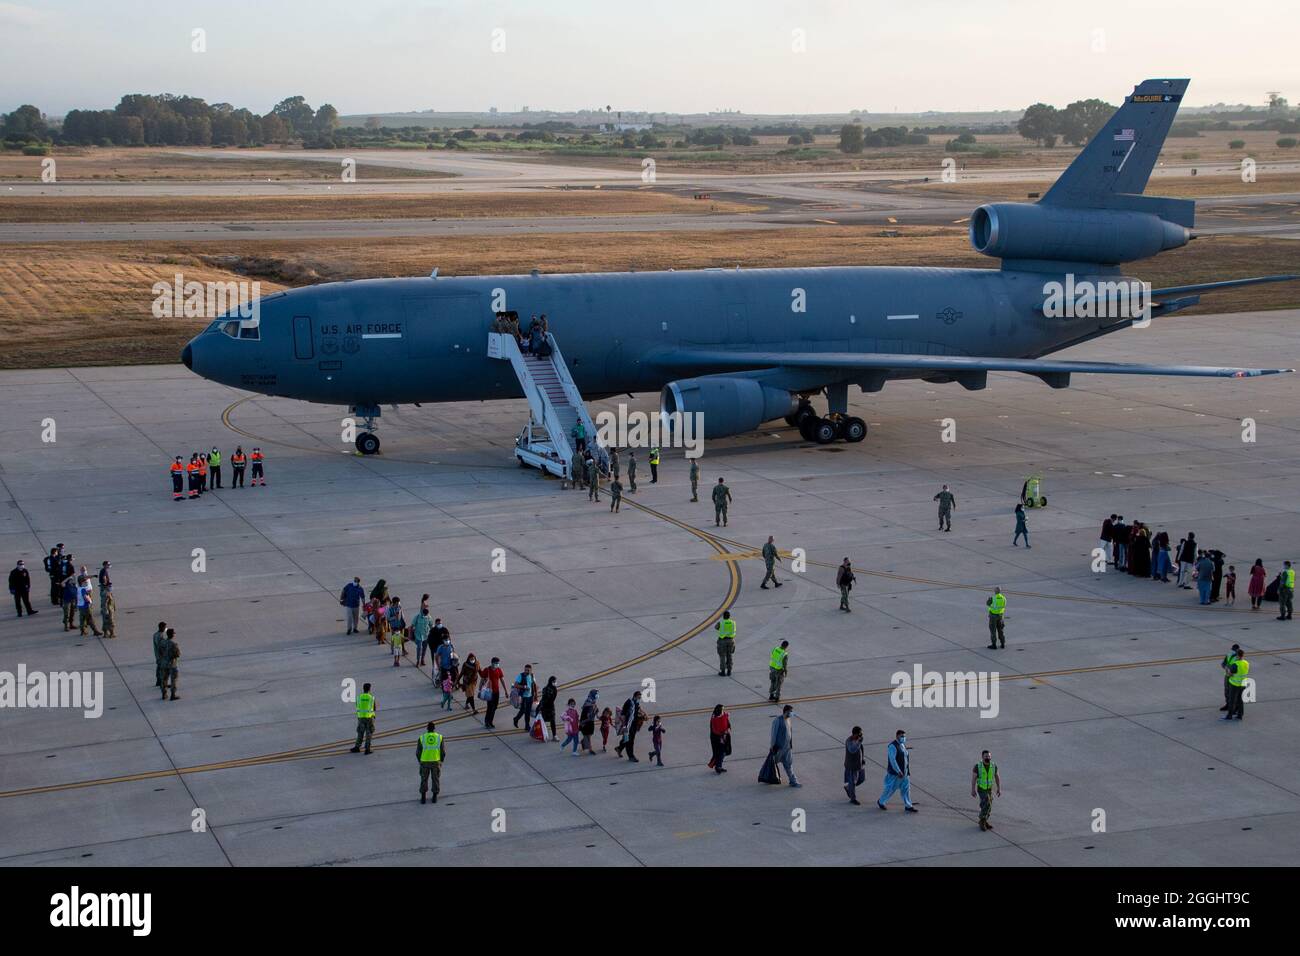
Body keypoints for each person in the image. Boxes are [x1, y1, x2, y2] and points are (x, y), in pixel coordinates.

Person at [878, 729, 916, 811]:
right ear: (897, 736)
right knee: (890, 789)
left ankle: (908, 806)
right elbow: (892, 760)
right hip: (896, 773)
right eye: (902, 736)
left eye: (904, 736)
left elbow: (904, 755)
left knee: (906, 789)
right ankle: (881, 801)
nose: (903, 738)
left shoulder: (902, 745)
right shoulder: (892, 746)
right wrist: (898, 771)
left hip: (905, 772)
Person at [768, 704, 800, 787]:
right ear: (786, 712)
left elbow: (790, 732)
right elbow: (773, 734)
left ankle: (793, 781)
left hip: (787, 748)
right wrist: (772, 746)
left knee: (789, 765)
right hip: (779, 748)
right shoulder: (777, 720)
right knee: (772, 763)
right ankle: (768, 777)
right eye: (790, 711)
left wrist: (790, 745)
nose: (792, 713)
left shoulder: (788, 720)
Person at [416, 721, 445, 804]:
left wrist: (420, 761)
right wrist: (441, 760)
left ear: (427, 729)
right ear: (434, 728)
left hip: (424, 762)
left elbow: (418, 752)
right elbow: (443, 751)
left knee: (424, 779)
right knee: (435, 779)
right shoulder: (439, 737)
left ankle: (423, 797)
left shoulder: (422, 738)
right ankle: (434, 797)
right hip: (435, 761)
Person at [972, 750, 1001, 830]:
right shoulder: (978, 766)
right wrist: (973, 789)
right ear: (982, 757)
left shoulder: (993, 766)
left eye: (988, 756)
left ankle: (984, 820)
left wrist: (999, 788)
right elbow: (974, 778)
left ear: (990, 757)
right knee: (987, 803)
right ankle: (982, 821)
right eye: (985, 756)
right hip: (981, 789)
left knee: (988, 805)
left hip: (989, 789)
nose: (987, 757)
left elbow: (997, 777)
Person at [615, 690, 643, 761]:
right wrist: (624, 724)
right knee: (630, 740)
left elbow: (638, 709)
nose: (639, 699)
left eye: (640, 698)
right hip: (628, 725)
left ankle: (619, 748)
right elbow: (623, 713)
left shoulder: (636, 703)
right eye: (638, 697)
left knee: (627, 738)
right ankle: (631, 756)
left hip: (634, 724)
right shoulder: (629, 702)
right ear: (635, 696)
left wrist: (643, 714)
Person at [1223, 651, 1250, 720]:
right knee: (1240, 700)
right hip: (1243, 684)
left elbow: (1230, 674)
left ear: (1237, 656)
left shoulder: (1235, 664)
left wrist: (1227, 670)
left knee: (1232, 700)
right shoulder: (1246, 663)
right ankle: (1240, 715)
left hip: (1235, 684)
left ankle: (1229, 715)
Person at [350, 682, 376, 754]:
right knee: (369, 733)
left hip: (361, 718)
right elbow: (374, 708)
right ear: (369, 689)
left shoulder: (359, 697)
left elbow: (357, 706)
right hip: (369, 718)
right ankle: (367, 749)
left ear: (363, 689)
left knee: (360, 733)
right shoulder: (371, 697)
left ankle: (357, 747)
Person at [481, 657, 506, 729]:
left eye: (498, 663)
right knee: (490, 707)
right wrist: (480, 689)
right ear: (492, 663)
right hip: (489, 692)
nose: (497, 664)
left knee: (495, 707)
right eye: (496, 663)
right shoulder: (487, 670)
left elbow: (502, 680)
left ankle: (489, 721)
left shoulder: (499, 670)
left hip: (496, 692)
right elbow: (482, 680)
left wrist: (505, 691)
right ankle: (488, 722)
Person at [844, 726, 866, 805]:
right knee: (853, 782)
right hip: (852, 766)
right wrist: (859, 742)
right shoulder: (849, 741)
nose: (861, 736)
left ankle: (848, 787)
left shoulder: (858, 740)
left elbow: (861, 750)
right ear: (855, 734)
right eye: (859, 734)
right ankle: (853, 799)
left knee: (862, 779)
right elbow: (852, 750)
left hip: (859, 764)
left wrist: (863, 759)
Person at [512, 663, 537, 730]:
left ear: (531, 670)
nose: (526, 671)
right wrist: (524, 687)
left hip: (530, 696)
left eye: (528, 670)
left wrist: (535, 695)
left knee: (528, 711)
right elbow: (515, 685)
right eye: (525, 670)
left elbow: (534, 685)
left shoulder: (532, 675)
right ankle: (516, 719)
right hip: (524, 696)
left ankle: (527, 725)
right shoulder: (521, 676)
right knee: (523, 710)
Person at [1220, 644, 1243, 713]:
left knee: (1234, 693)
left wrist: (1232, 672)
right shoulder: (1229, 654)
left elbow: (1240, 668)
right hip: (1227, 675)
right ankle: (1228, 704)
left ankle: (1235, 707)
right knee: (1226, 691)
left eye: (1235, 650)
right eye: (1232, 649)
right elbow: (1223, 663)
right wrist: (1226, 668)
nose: (1233, 651)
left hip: (1234, 677)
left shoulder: (1239, 658)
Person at [160, 628, 180, 701]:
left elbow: (160, 652)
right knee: (173, 679)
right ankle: (173, 695)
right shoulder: (174, 644)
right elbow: (178, 654)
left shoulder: (163, 642)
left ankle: (164, 694)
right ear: (172, 635)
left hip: (164, 663)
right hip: (172, 664)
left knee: (164, 679)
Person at [714, 610, 736, 676]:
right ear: (729, 616)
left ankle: (723, 671)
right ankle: (729, 671)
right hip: (731, 640)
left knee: (722, 655)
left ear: (723, 616)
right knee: (729, 655)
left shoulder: (721, 622)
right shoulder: (733, 622)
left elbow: (716, 627)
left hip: (722, 641)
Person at [539, 675, 559, 740]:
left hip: (549, 706)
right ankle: (545, 735)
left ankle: (553, 735)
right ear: (551, 681)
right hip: (545, 707)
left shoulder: (554, 689)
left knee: (551, 721)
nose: (555, 683)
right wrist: (541, 707)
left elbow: (552, 699)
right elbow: (545, 698)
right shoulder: (547, 689)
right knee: (544, 721)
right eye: (554, 681)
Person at [579, 690, 599, 754]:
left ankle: (584, 742)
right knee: (588, 735)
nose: (597, 695)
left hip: (590, 721)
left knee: (589, 734)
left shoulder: (592, 701)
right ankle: (590, 749)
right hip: (586, 721)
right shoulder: (588, 702)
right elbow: (587, 713)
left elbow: (595, 709)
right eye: (596, 694)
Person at [152, 621, 168, 688]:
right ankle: (161, 682)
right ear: (161, 627)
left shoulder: (155, 634)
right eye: (164, 627)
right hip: (160, 655)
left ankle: (159, 681)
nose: (165, 628)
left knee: (159, 667)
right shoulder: (159, 635)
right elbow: (160, 645)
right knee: (162, 668)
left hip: (158, 654)